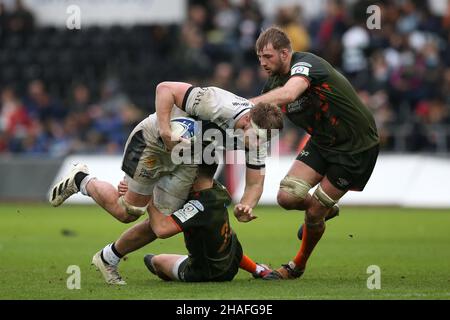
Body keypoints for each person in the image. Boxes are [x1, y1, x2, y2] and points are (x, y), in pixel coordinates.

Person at [49, 82, 283, 284]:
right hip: (153, 141)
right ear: (247, 118)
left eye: (264, 140)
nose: (257, 145)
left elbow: (254, 184)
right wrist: (164, 131)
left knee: (164, 219)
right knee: (127, 212)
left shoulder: (259, 139)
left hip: (188, 157)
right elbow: (165, 88)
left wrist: (247, 205)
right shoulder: (217, 104)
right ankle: (82, 180)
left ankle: (108, 258)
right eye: (256, 137)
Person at [249, 27, 379, 280]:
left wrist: (245, 103)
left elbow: (289, 94)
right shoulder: (272, 85)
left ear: (285, 53)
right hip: (322, 142)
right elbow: (266, 121)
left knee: (313, 213)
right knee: (287, 198)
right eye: (259, 57)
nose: (262, 63)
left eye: (268, 56)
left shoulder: (307, 64)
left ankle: (297, 265)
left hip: (355, 147)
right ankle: (324, 210)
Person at [140, 160, 271, 282]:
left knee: (156, 261)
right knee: (223, 236)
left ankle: (169, 270)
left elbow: (161, 230)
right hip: (230, 263)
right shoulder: (219, 189)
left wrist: (147, 196)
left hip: (205, 273)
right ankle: (257, 269)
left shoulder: (198, 206)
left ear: (194, 172)